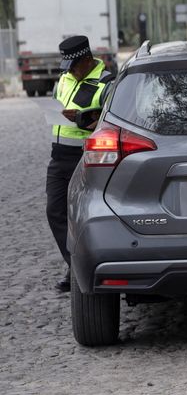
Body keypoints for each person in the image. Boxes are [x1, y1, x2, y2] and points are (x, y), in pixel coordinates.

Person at [46, 36, 114, 292]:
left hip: (86, 157)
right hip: (59, 155)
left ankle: (77, 270)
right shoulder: (64, 79)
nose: (71, 70)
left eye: (74, 65)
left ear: (87, 60)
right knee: (54, 211)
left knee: (83, 215)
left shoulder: (106, 82)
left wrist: (86, 119)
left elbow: (109, 122)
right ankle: (74, 265)